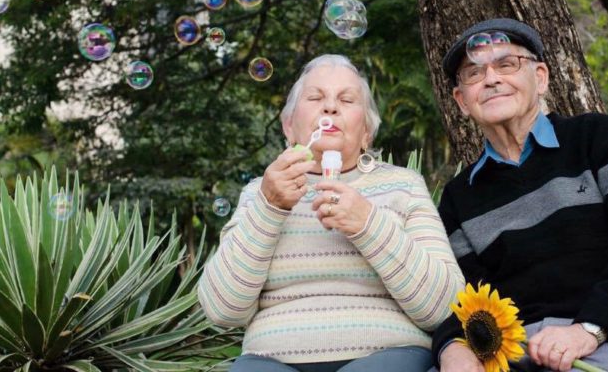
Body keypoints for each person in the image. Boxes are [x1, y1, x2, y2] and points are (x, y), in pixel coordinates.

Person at [430, 18, 608, 372]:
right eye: (474, 73)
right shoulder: (458, 197)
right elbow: (463, 298)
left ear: (541, 77)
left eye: (506, 63)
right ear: (462, 101)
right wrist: (452, 349)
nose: (491, 79)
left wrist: (589, 329)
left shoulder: (601, 139)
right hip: (511, 356)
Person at [198, 54, 465, 372]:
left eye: (346, 99)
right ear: (289, 126)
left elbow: (444, 306)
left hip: (386, 354)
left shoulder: (403, 185)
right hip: (271, 359)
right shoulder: (260, 192)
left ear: (366, 132)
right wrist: (269, 209)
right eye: (315, 97)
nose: (330, 107)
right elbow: (222, 309)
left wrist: (368, 223)